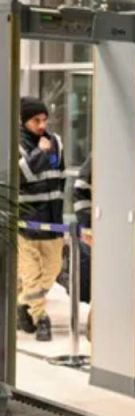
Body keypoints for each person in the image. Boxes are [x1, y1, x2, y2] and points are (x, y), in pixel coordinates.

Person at [16, 97, 65, 343]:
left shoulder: (55, 142)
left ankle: (23, 302)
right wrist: (38, 154)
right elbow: (17, 176)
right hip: (26, 223)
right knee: (32, 273)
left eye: (45, 120)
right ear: (24, 121)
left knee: (53, 269)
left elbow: (60, 176)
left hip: (53, 221)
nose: (42, 125)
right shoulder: (14, 143)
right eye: (37, 120)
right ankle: (40, 317)